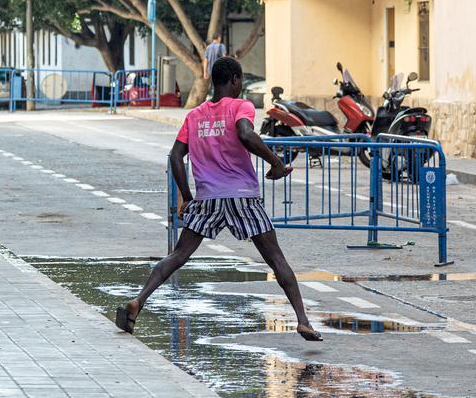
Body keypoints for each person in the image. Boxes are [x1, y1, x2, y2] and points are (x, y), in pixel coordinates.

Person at [115, 57, 322, 342]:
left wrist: (187, 196)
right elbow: (246, 134)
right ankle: (303, 321)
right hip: (242, 199)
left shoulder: (195, 115)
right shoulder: (241, 106)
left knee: (178, 255)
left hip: (207, 199)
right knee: (276, 259)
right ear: (236, 80)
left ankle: (138, 302)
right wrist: (276, 162)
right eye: (240, 82)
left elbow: (176, 156)